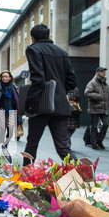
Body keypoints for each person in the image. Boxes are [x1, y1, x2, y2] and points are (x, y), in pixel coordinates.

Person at [23, 24, 78, 166]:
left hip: (41, 105)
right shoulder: (62, 52)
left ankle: (24, 179)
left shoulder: (33, 49)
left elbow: (38, 79)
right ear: (48, 36)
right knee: (63, 147)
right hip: (60, 106)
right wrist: (59, 91)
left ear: (33, 38)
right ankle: (85, 176)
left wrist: (29, 105)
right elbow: (72, 82)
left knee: (32, 145)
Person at [0, 70, 22, 145]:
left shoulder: (13, 87)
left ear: (10, 78)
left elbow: (17, 99)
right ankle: (3, 146)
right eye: (3, 77)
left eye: (6, 77)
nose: (4, 78)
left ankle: (6, 144)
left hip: (11, 111)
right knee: (2, 130)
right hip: (1, 111)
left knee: (10, 131)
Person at [85, 67, 109, 150]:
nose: (103, 73)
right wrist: (98, 96)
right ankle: (93, 143)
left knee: (106, 123)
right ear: (97, 73)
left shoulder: (105, 84)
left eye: (104, 71)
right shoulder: (92, 83)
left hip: (104, 109)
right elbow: (87, 93)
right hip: (95, 108)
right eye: (101, 71)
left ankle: (99, 140)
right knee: (94, 126)